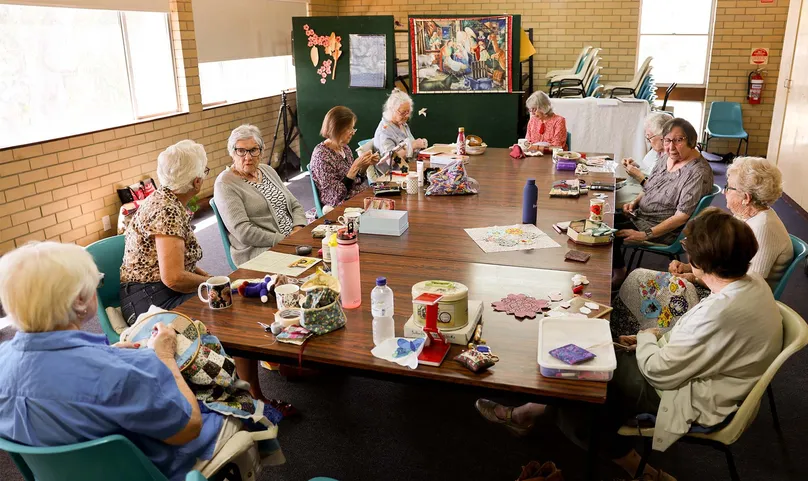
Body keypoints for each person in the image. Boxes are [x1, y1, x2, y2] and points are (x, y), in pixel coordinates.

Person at [476, 208, 783, 481]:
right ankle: (528, 413)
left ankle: (641, 470)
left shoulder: (720, 312)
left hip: (692, 394)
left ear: (699, 262)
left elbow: (661, 372)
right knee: (586, 358)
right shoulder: (750, 284)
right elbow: (698, 338)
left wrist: (649, 337)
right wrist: (654, 338)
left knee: (579, 389)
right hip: (711, 375)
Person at [0, 242, 281, 481]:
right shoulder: (124, 374)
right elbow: (188, 428)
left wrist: (110, 353)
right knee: (232, 402)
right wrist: (165, 358)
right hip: (155, 469)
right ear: (80, 301)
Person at [611, 157, 793, 336]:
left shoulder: (762, 228)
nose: (724, 192)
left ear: (746, 198)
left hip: (729, 306)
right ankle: (628, 332)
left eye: (729, 187)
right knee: (637, 277)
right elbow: (722, 260)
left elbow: (743, 285)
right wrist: (689, 266)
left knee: (651, 290)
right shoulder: (745, 215)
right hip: (717, 287)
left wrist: (695, 277)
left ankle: (641, 338)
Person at [612, 117, 714, 286]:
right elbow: (650, 186)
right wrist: (635, 202)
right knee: (603, 221)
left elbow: (681, 217)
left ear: (692, 141)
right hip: (641, 216)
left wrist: (645, 234)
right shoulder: (666, 157)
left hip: (663, 229)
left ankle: (619, 274)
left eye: (678, 140)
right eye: (667, 140)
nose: (671, 147)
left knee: (607, 233)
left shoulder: (697, 172)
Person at [120, 140, 211, 325]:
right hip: (148, 299)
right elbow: (173, 277)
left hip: (152, 291)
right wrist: (208, 282)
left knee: (220, 296)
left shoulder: (164, 198)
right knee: (220, 309)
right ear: (197, 182)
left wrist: (207, 279)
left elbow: (179, 261)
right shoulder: (167, 210)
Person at [214, 124, 306, 266]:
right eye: (241, 151)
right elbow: (243, 232)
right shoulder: (225, 183)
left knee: (332, 248)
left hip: (292, 239)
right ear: (232, 153)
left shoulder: (267, 170)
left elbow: (294, 205)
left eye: (253, 150)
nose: (248, 157)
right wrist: (283, 239)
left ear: (261, 151)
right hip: (261, 250)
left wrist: (298, 229)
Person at [309, 106, 378, 208]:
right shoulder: (321, 155)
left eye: (353, 128)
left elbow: (355, 181)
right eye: (349, 129)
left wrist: (364, 166)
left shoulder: (345, 148)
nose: (353, 132)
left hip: (358, 197)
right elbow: (334, 196)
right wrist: (354, 167)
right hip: (340, 206)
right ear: (337, 129)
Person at [616, 112, 670, 205]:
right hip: (636, 187)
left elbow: (658, 189)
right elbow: (648, 170)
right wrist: (635, 166)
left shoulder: (671, 157)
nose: (648, 141)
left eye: (650, 136)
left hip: (646, 194)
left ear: (662, 136)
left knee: (607, 199)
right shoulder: (656, 151)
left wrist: (639, 176)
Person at [373, 88, 428, 164]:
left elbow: (411, 148)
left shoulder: (402, 124)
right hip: (395, 173)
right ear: (391, 110)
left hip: (410, 166)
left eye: (408, 112)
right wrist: (413, 146)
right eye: (403, 113)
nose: (407, 116)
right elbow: (390, 161)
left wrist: (420, 144)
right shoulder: (385, 132)